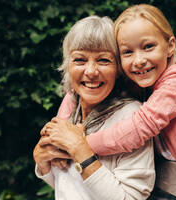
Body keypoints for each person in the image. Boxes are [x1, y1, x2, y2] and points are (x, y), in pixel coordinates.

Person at [56, 4, 176, 200]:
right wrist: (60, 128)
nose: (139, 60)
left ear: (170, 45)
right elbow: (78, 91)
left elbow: (137, 129)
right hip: (173, 191)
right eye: (127, 52)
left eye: (148, 47)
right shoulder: (142, 81)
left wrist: (77, 145)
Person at [33, 15, 155, 200]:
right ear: (68, 66)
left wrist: (79, 149)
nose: (91, 71)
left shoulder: (131, 118)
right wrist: (42, 162)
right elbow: (70, 186)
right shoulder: (72, 111)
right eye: (80, 60)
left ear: (119, 69)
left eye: (103, 60)